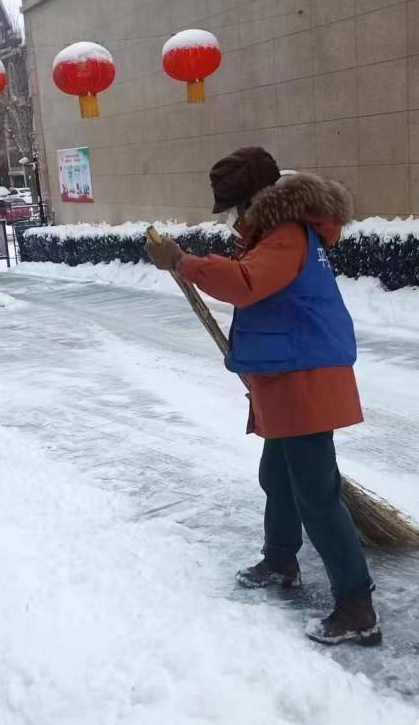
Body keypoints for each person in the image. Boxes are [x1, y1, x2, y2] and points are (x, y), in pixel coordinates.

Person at [145, 147, 378, 647]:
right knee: (277, 475)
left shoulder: (287, 235)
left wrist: (183, 262)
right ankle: (280, 561)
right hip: (285, 372)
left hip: (303, 375)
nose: (232, 217)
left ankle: (357, 606)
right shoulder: (279, 234)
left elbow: (248, 285)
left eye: (233, 206)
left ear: (255, 199)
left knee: (316, 494)